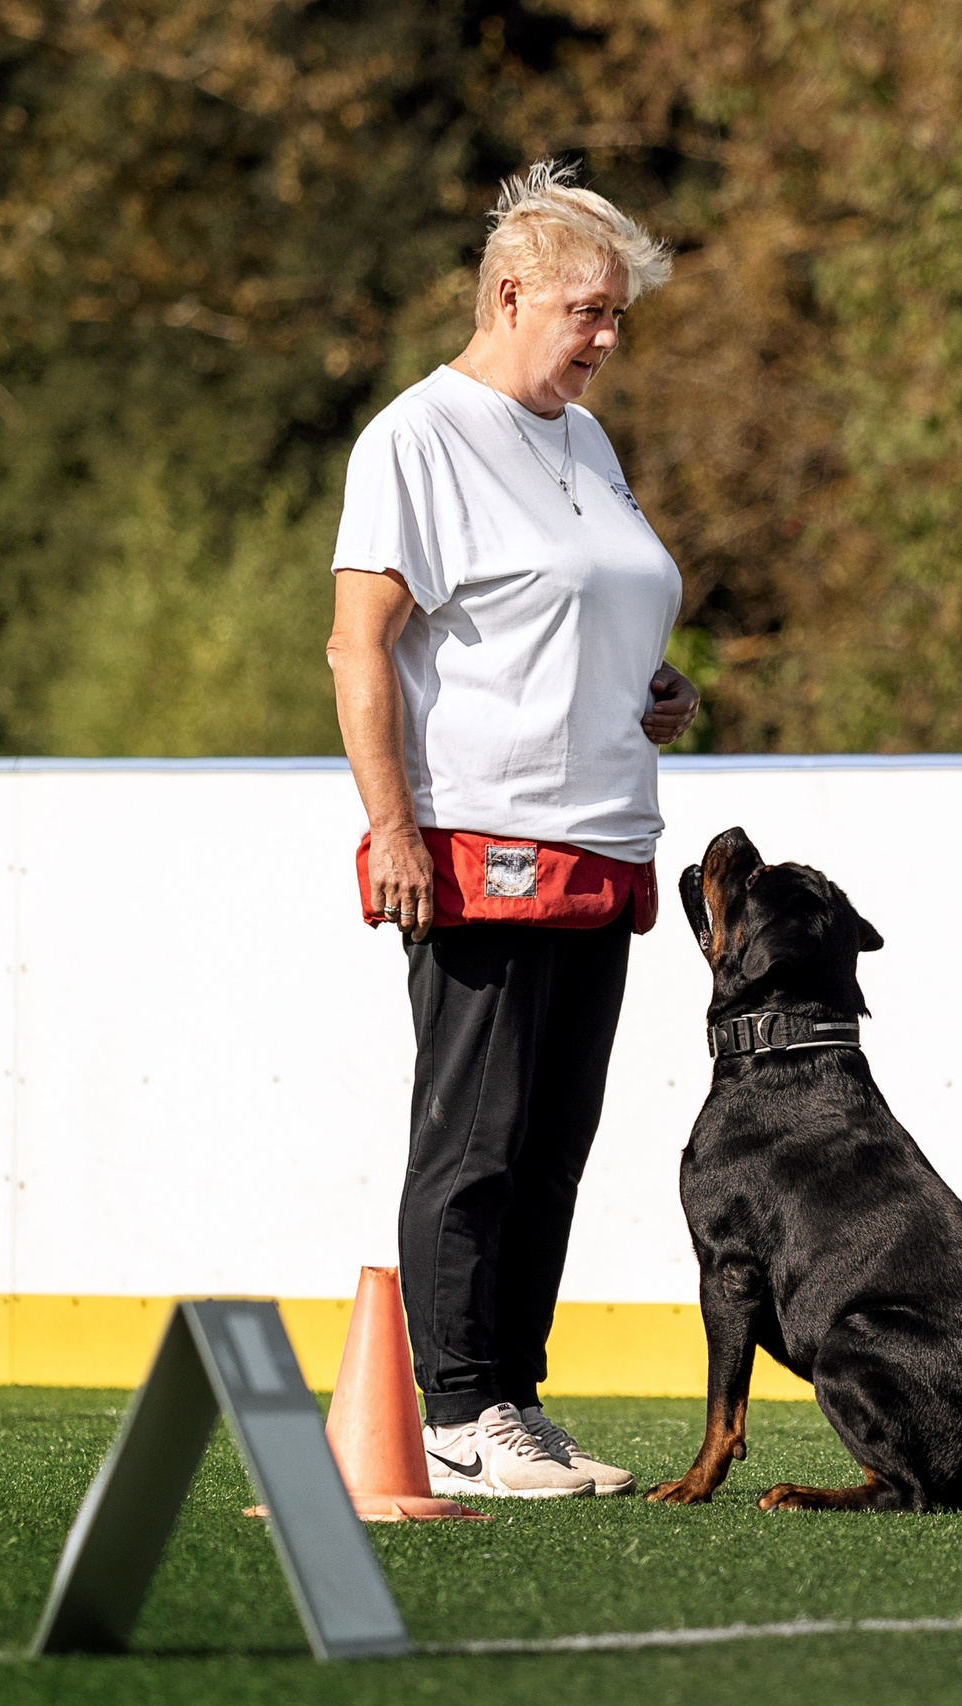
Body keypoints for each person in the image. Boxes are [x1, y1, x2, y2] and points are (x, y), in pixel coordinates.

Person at [326, 161, 699, 1498]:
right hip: (476, 837)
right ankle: (453, 1408)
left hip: (602, 830)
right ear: (508, 292)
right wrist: (394, 825)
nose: (607, 338)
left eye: (616, 317)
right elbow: (358, 646)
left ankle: (514, 1402)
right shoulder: (414, 440)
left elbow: (592, 605)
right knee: (475, 1132)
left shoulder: (586, 441)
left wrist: (659, 690)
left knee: (554, 1135)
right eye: (589, 311)